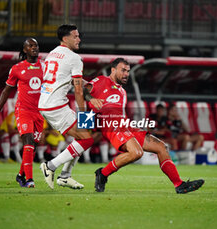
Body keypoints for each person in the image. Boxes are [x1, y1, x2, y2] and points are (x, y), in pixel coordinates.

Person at [83, 58, 204, 193]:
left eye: (128, 71)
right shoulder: (101, 81)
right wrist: (91, 100)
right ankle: (103, 174)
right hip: (110, 126)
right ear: (113, 70)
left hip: (125, 125)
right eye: (123, 70)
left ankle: (179, 184)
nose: (126, 74)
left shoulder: (122, 91)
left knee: (161, 147)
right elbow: (83, 91)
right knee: (136, 153)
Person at [39, 24, 103, 190]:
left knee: (82, 137)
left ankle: (65, 176)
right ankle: (50, 166)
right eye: (75, 36)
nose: (79, 39)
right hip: (56, 105)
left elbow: (66, 77)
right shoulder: (75, 58)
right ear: (65, 38)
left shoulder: (52, 54)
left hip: (47, 102)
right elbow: (77, 89)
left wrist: (86, 83)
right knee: (87, 139)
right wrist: (83, 113)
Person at [0, 38, 44, 188]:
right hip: (23, 111)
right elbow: (6, 91)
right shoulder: (17, 69)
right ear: (25, 50)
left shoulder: (45, 67)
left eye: (36, 45)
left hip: (39, 113)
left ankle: (20, 175)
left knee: (32, 147)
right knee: (28, 141)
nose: (34, 48)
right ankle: (29, 180)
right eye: (31, 46)